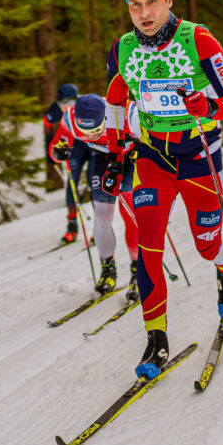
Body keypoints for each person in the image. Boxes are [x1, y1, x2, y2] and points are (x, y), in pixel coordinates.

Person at [101, 0, 223, 379]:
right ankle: (156, 340)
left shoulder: (197, 38)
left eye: (151, 1)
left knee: (206, 243)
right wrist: (115, 156)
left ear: (168, 0)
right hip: (153, 157)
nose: (144, 13)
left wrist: (210, 106)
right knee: (150, 244)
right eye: (134, 4)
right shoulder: (122, 49)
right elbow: (115, 103)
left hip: (200, 154)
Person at [48, 94, 141, 299]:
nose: (90, 136)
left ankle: (138, 271)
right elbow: (56, 146)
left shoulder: (128, 113)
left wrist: (143, 150)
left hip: (130, 158)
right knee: (102, 214)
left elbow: (154, 138)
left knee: (131, 213)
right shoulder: (70, 119)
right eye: (85, 132)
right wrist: (58, 152)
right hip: (103, 157)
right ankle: (107, 269)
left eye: (96, 131)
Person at [42, 83, 78, 191]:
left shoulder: (84, 106)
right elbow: (47, 124)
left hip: (84, 137)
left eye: (70, 103)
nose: (66, 107)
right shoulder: (55, 109)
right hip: (68, 136)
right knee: (73, 174)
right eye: (61, 103)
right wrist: (50, 151)